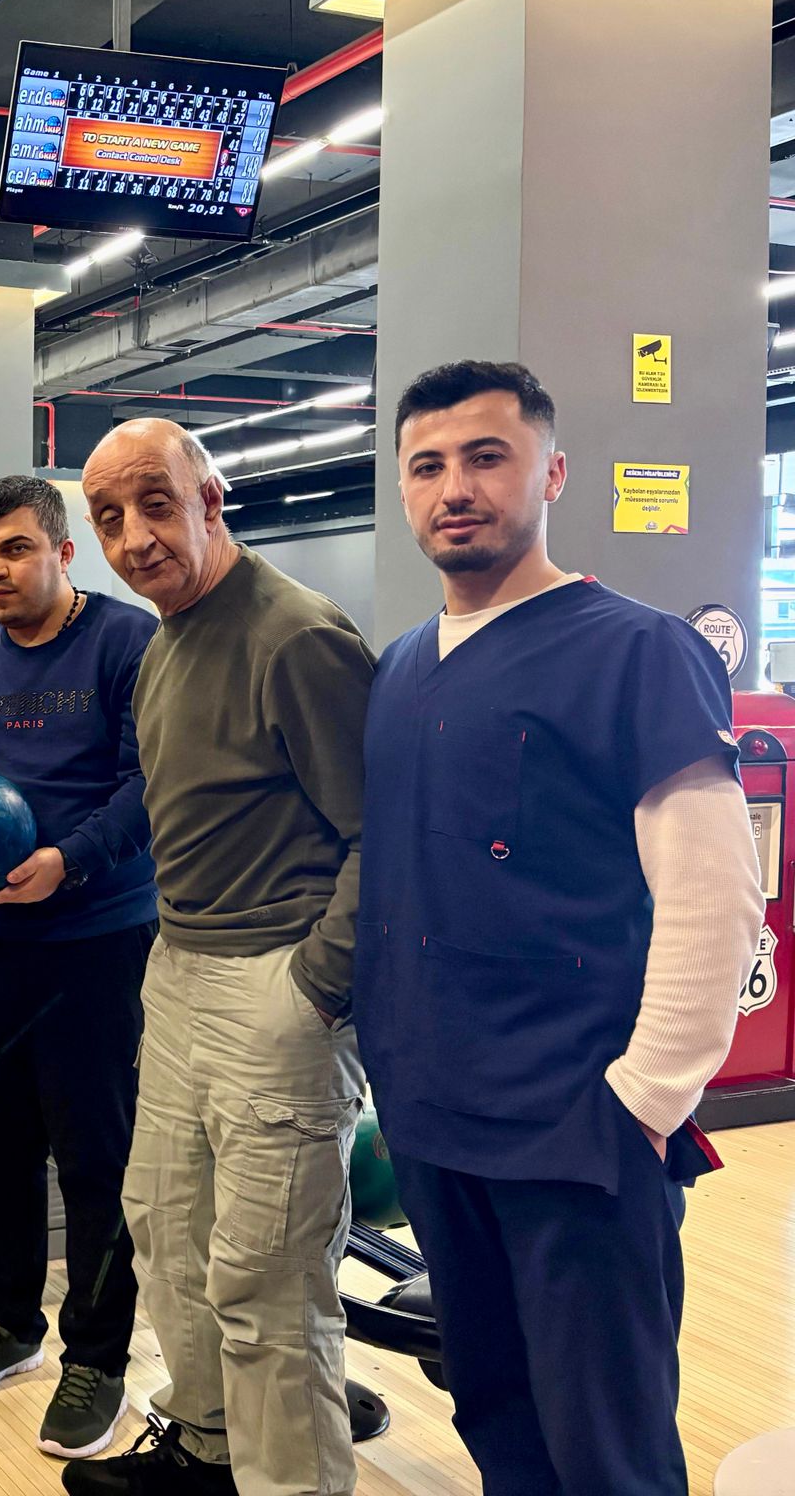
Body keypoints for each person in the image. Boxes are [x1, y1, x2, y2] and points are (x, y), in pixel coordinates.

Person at [355, 361, 759, 1495]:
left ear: (552, 472)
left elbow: (712, 894)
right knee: (493, 1408)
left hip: (575, 1128)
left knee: (607, 1446)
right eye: (427, 466)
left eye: (487, 456)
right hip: (431, 1118)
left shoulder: (637, 652)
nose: (455, 487)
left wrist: (645, 1098)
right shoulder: (399, 668)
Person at [74, 419, 376, 1496]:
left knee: (268, 1283)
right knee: (168, 1237)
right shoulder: (165, 642)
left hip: (274, 986)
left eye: (156, 505)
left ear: (212, 499)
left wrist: (316, 988)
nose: (134, 539)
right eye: (108, 518)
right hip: (180, 972)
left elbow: (380, 835)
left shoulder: (294, 635)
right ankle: (208, 1452)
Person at [0, 474, 157, 1462]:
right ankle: (10, 1323)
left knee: (94, 1155)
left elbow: (148, 782)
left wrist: (69, 860)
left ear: (63, 551)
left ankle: (96, 1356)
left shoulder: (127, 643)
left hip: (93, 938)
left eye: (14, 549)